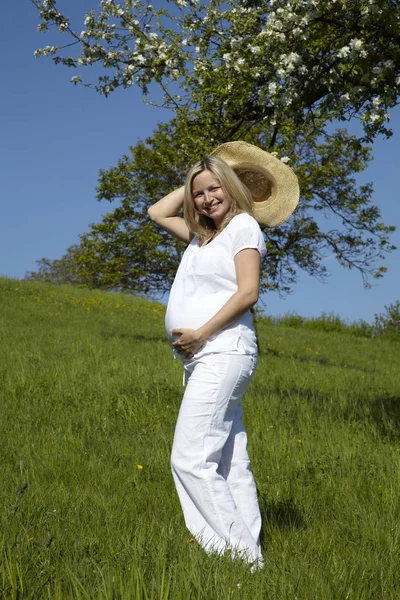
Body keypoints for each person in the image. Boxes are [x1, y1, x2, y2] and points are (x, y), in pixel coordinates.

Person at [147, 152, 267, 569]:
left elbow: (247, 292)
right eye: (197, 194)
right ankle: (251, 557)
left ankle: (237, 558)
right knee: (231, 462)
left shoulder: (244, 228)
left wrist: (200, 333)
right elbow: (156, 211)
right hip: (206, 358)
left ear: (232, 188)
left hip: (223, 350)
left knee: (190, 458)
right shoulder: (202, 239)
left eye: (214, 188)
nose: (205, 199)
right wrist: (203, 169)